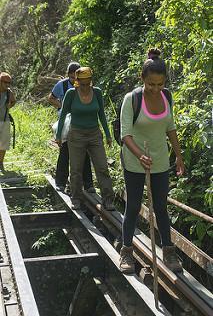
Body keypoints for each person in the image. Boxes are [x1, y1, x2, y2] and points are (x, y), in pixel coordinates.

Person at [119, 48, 185, 274]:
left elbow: (171, 127)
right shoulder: (132, 99)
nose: (156, 89)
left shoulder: (167, 96)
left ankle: (168, 250)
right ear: (142, 79)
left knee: (161, 207)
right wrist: (140, 155)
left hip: (159, 161)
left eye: (160, 84)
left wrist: (178, 156)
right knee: (134, 206)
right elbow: (125, 134)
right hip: (135, 160)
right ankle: (126, 251)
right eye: (151, 85)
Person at [56, 67, 114, 210]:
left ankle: (108, 199)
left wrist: (107, 134)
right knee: (76, 169)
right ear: (77, 82)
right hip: (76, 135)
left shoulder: (97, 92)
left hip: (94, 134)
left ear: (91, 81)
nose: (86, 86)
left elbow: (101, 114)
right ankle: (76, 198)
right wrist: (58, 136)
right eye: (83, 83)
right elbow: (63, 114)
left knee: (102, 168)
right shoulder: (71, 94)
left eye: (88, 83)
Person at [48, 62, 95, 193]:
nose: (75, 79)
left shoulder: (85, 85)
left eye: (76, 77)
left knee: (85, 153)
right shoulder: (62, 85)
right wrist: (61, 106)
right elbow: (51, 98)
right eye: (72, 77)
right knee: (65, 153)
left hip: (82, 123)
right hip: (67, 125)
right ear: (68, 75)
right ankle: (61, 183)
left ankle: (89, 184)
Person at [0, 72, 16, 172]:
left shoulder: (8, 92)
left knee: (3, 144)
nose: (7, 84)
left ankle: (0, 163)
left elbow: (14, 101)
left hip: (4, 120)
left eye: (9, 83)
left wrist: (10, 105)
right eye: (5, 82)